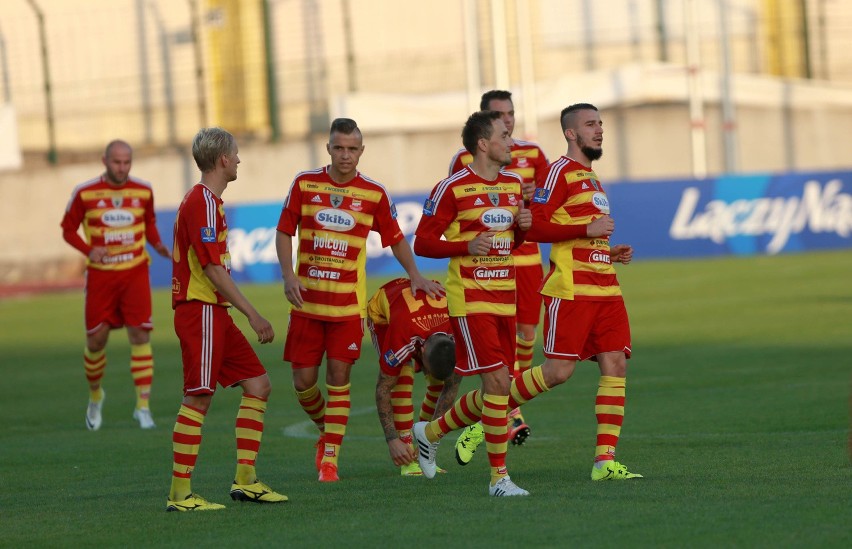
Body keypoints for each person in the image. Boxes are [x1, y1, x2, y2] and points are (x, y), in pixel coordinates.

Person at [276, 118, 442, 483]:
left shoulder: (374, 193)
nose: (345, 155)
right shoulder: (305, 184)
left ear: (361, 151)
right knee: (303, 384)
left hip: (347, 310)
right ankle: (328, 429)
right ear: (329, 148)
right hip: (306, 305)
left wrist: (415, 274)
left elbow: (396, 237)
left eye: (352, 149)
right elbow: (285, 230)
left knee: (339, 379)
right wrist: (288, 275)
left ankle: (331, 459)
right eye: (339, 147)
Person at [513, 103, 642, 481]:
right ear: (571, 133)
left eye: (600, 123)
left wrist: (608, 251)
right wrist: (588, 232)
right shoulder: (558, 172)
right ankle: (479, 415)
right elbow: (533, 227)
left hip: (605, 286)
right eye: (590, 124)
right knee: (557, 373)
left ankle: (604, 461)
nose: (599, 130)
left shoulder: (592, 178)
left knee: (616, 364)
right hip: (571, 290)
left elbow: (583, 232)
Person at [165, 127, 287, 512]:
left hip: (214, 312)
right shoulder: (200, 202)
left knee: (259, 384)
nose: (238, 160)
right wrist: (254, 314)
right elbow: (213, 270)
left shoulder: (210, 202)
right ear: (222, 160)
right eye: (235, 154)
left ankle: (246, 481)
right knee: (198, 398)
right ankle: (180, 494)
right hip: (199, 309)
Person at [412, 110, 532, 497]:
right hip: (470, 297)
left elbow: (510, 242)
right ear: (484, 144)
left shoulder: (514, 184)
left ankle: (429, 433)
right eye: (505, 135)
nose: (512, 142)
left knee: (499, 387)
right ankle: (499, 479)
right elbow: (423, 242)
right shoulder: (452, 188)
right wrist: (465, 245)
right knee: (498, 382)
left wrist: (520, 231)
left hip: (505, 298)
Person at [448, 90, 550, 461]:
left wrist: (532, 200)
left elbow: (544, 207)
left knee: (527, 337)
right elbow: (455, 209)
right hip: (478, 276)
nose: (506, 120)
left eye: (510, 114)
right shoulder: (463, 160)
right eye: (498, 115)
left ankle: (498, 408)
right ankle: (508, 410)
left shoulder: (533, 154)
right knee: (492, 366)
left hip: (523, 263)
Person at [61, 140, 170, 431]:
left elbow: (149, 224)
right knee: (96, 341)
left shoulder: (143, 190)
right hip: (101, 277)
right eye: (116, 162)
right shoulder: (85, 193)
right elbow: (67, 229)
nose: (122, 168)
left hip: (135, 273)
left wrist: (159, 246)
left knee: (140, 335)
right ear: (104, 160)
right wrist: (88, 250)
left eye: (127, 162)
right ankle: (96, 396)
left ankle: (143, 407)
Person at [367, 277, 461, 476]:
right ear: (422, 350)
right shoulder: (402, 336)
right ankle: (407, 457)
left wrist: (431, 436)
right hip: (385, 316)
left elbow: (451, 386)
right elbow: (383, 389)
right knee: (402, 377)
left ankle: (423, 448)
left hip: (425, 315)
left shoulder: (458, 328)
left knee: (438, 383)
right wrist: (392, 440)